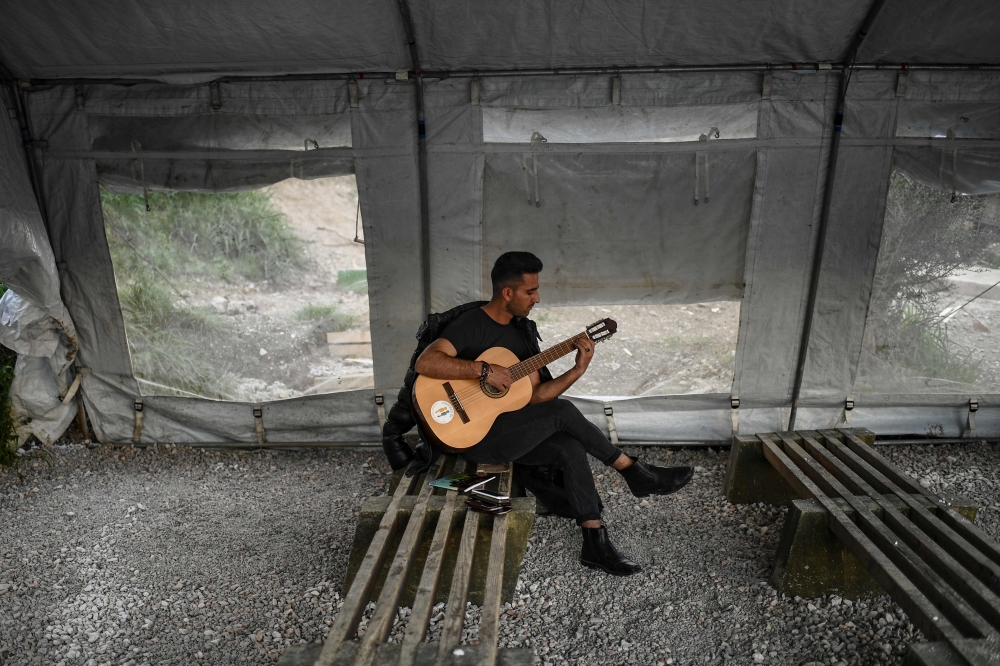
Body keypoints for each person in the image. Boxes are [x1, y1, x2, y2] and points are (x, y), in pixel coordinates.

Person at [413, 251, 693, 576]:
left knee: (569, 446)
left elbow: (533, 398)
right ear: (508, 292)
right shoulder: (473, 324)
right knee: (562, 412)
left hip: (508, 430)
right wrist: (483, 369)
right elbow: (426, 363)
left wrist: (577, 370)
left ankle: (594, 540)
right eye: (530, 291)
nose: (537, 298)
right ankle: (632, 470)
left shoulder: (520, 333)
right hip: (473, 436)